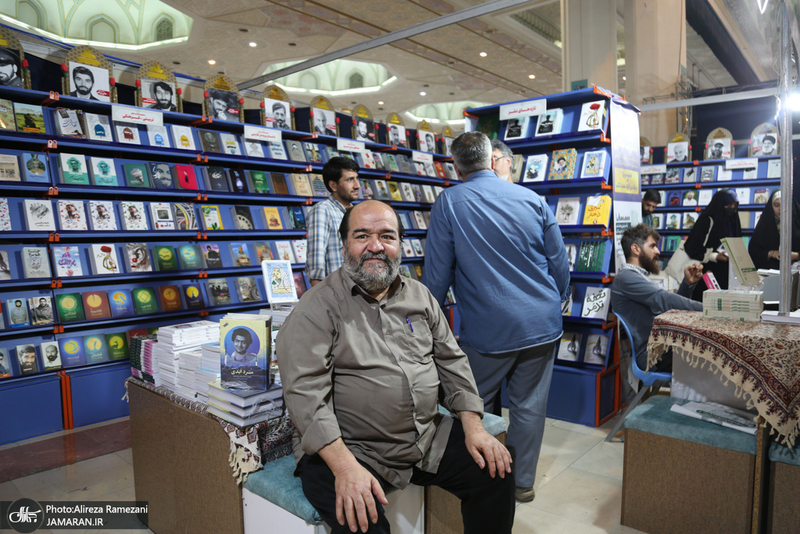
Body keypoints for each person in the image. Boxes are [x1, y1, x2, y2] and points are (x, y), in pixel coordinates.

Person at [277, 200, 515, 534]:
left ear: (400, 245)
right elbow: (306, 395)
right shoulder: (315, 310)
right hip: (349, 448)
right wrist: (344, 468)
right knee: (362, 521)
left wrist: (474, 426)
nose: (375, 246)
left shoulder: (420, 296)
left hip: (426, 437)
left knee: (495, 472)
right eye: (362, 236)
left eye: (387, 236)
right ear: (344, 244)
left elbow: (451, 361)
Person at [422, 131, 570, 503]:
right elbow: (559, 263)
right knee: (529, 406)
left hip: (489, 328)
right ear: (492, 160)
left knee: (468, 404)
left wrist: (424, 321)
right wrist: (557, 300)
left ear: (456, 167)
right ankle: (521, 483)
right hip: (542, 322)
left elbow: (437, 274)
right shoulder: (532, 199)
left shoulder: (449, 202)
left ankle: (483, 479)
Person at [611, 224, 703, 372]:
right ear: (635, 249)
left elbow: (670, 310)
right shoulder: (626, 278)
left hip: (660, 347)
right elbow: (664, 299)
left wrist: (687, 283)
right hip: (652, 355)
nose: (658, 251)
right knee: (713, 355)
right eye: (652, 246)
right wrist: (708, 308)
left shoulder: (636, 276)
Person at [306, 157, 360, 287]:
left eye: (356, 178)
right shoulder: (322, 210)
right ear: (333, 185)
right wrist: (318, 294)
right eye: (350, 180)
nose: (357, 185)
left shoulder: (357, 213)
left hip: (358, 289)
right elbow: (316, 256)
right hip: (335, 290)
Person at [683, 189, 742, 299]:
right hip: (706, 273)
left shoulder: (734, 222)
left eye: (735, 205)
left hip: (727, 274)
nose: (732, 208)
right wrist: (715, 256)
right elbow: (692, 247)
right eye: (729, 205)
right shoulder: (706, 220)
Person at [749, 191, 800, 270]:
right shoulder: (764, 226)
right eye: (776, 205)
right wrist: (771, 253)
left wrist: (796, 255)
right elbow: (754, 252)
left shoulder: (797, 224)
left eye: (785, 205)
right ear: (771, 206)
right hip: (769, 274)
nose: (780, 209)